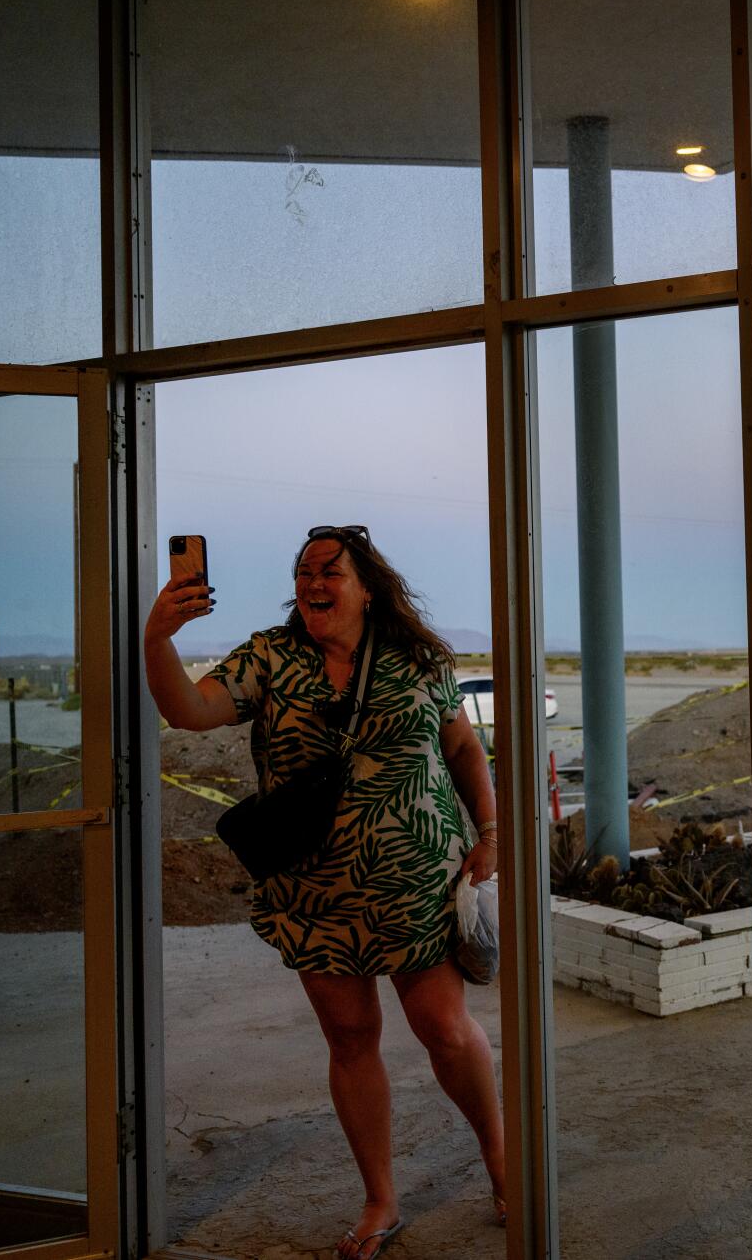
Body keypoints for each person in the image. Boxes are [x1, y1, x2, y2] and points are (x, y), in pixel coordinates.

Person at [144, 525, 504, 1260]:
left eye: (327, 570)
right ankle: (381, 1200)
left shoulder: (419, 658)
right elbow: (187, 708)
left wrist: (490, 827)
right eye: (302, 571)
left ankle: (504, 1160)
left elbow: (461, 746)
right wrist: (158, 636)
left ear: (366, 586)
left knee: (442, 1026)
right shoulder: (270, 658)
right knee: (349, 1039)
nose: (311, 581)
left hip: (415, 882)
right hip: (316, 890)